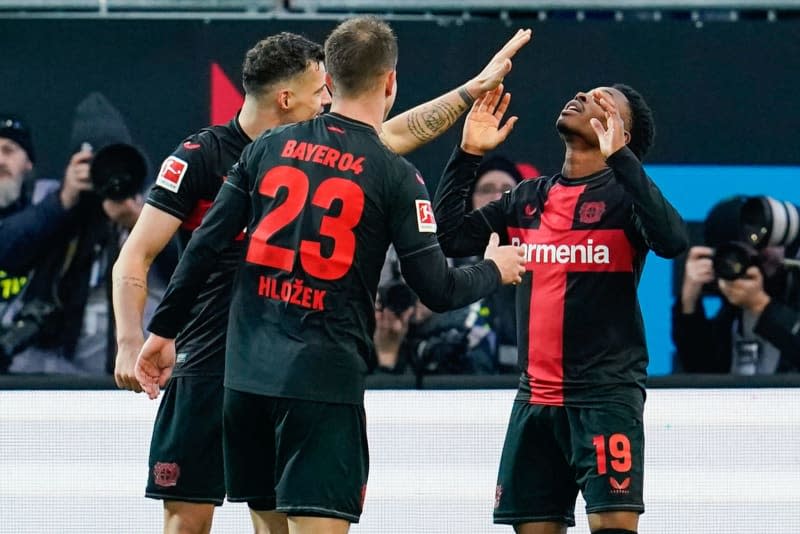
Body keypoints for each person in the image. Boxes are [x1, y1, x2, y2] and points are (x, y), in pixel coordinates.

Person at [113, 26, 532, 534]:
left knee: (267, 522)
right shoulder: (215, 155)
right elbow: (137, 257)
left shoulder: (272, 149)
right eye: (317, 92)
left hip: (253, 370)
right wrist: (136, 340)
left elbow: (198, 250)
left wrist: (161, 330)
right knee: (208, 520)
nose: (325, 98)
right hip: (258, 367)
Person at [434, 83, 688, 533]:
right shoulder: (526, 199)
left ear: (619, 131)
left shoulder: (628, 199)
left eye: (600, 99)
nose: (580, 95)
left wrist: (622, 160)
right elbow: (450, 237)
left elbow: (672, 241)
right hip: (534, 400)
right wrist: (468, 153)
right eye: (583, 91)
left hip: (605, 397)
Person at [0, 107, 145, 373]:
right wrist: (63, 202)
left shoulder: (153, 205)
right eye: (95, 165)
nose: (106, 176)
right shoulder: (54, 202)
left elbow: (198, 266)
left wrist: (139, 224)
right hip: (61, 375)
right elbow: (5, 249)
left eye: (112, 164)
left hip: (141, 373)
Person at [672, 196, 800, 374]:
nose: (763, 256)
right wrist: (688, 305)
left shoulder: (793, 289)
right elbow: (700, 372)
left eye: (772, 243)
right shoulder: (730, 314)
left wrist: (761, 305)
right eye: (740, 254)